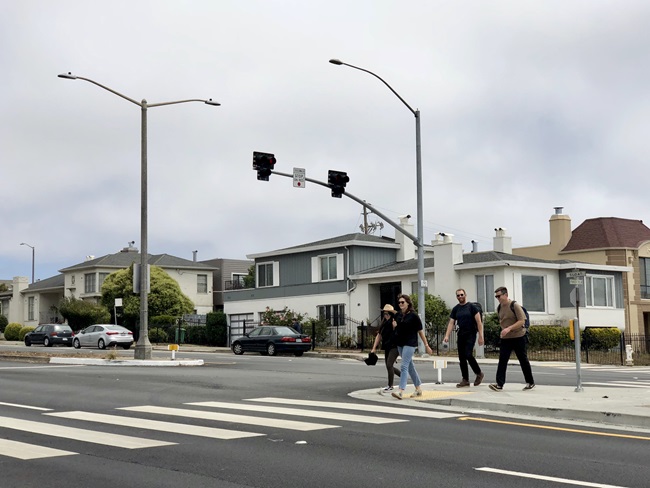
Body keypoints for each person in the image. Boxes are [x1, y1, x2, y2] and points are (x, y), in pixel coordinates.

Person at [489, 286, 536, 391]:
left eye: (499, 296)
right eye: (496, 296)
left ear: (506, 295)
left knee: (522, 359)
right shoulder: (499, 307)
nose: (497, 298)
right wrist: (503, 330)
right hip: (506, 338)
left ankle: (530, 381)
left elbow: (522, 320)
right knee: (502, 360)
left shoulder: (514, 305)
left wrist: (509, 328)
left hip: (519, 336)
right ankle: (499, 384)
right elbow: (502, 321)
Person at [391, 294, 433, 400]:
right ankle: (418, 388)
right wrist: (394, 327)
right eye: (399, 302)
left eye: (402, 302)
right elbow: (396, 330)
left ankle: (401, 390)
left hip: (410, 343)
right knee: (410, 366)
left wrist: (426, 345)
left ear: (408, 303)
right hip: (400, 343)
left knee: (404, 366)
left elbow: (420, 331)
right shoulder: (398, 315)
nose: (400, 304)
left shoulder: (413, 316)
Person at [443, 289, 485, 388]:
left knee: (468, 354)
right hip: (460, 334)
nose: (460, 297)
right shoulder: (456, 309)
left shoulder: (472, 307)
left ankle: (479, 373)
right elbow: (451, 323)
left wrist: (481, 336)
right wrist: (446, 335)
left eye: (462, 294)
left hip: (471, 334)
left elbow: (479, 322)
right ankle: (465, 379)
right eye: (458, 295)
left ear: (465, 295)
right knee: (461, 358)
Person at [370, 304, 401, 392]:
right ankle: (403, 376)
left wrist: (395, 327)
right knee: (388, 366)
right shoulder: (383, 324)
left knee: (389, 365)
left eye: (388, 314)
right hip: (387, 346)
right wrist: (374, 348)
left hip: (394, 346)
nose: (386, 316)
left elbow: (399, 333)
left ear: (391, 314)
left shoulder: (395, 321)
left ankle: (390, 385)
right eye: (384, 314)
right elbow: (379, 336)